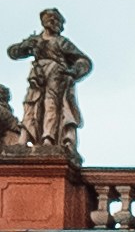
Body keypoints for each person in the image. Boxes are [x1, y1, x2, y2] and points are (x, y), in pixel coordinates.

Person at [5, 10, 89, 156]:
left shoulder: (61, 42)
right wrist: (25, 45)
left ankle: (48, 138)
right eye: (50, 19)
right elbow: (13, 52)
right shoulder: (36, 41)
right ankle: (24, 139)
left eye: (57, 21)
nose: (54, 22)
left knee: (52, 105)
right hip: (37, 75)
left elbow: (84, 61)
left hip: (56, 74)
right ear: (43, 21)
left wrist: (74, 71)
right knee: (31, 104)